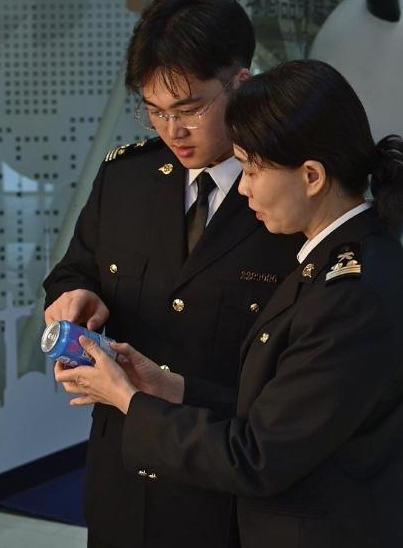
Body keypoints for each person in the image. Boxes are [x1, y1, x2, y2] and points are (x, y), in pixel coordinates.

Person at [57, 59, 403, 548]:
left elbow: (259, 455)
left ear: (311, 176)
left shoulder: (351, 294)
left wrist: (128, 400)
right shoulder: (329, 261)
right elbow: (275, 413)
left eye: (253, 169)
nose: (242, 187)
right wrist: (168, 386)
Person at [42, 1, 303, 546]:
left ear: (240, 83)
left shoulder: (289, 193)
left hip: (230, 488)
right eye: (154, 111)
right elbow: (74, 267)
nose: (172, 130)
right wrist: (74, 295)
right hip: (124, 475)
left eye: (189, 109)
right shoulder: (127, 178)